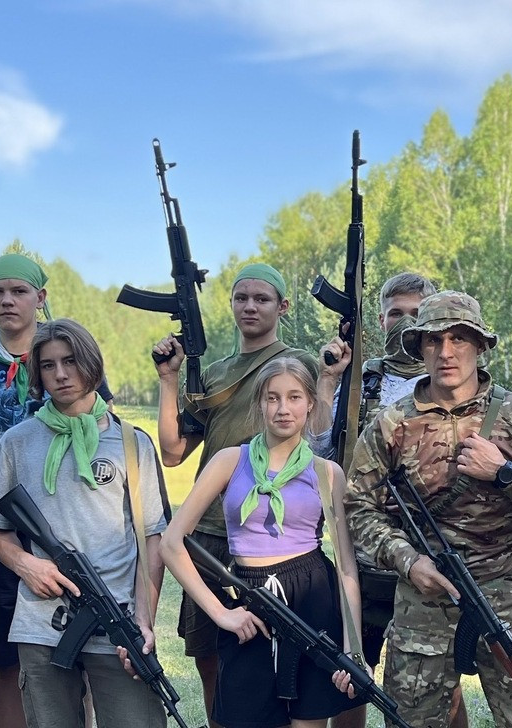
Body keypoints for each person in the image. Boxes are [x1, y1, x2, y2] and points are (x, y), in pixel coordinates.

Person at [344, 290, 512, 727]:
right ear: (420, 348)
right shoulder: (391, 423)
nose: (446, 352)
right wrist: (408, 560)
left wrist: (506, 474)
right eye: (434, 340)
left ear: (479, 345)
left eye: (459, 338)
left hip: (505, 595)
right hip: (424, 599)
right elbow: (359, 508)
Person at [0, 253, 112, 728]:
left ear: (40, 297)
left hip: (63, 518)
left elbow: (101, 421)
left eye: (19, 291)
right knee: (9, 657)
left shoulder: (66, 352)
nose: (8, 300)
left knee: (77, 648)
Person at [154, 262, 321, 725]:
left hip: (271, 537)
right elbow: (173, 451)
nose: (250, 306)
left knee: (280, 654)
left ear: (283, 306)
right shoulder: (216, 373)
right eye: (241, 298)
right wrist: (168, 380)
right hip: (209, 531)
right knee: (209, 653)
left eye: (262, 298)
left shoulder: (297, 363)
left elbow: (321, 433)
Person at [158, 356, 365, 728]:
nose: (283, 408)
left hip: (312, 598)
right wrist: (221, 613)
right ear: (259, 404)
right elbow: (171, 543)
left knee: (307, 721)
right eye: (272, 398)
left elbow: (347, 567)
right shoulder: (229, 461)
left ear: (311, 403)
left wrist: (353, 648)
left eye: (294, 397)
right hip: (248, 601)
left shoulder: (326, 473)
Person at [0, 319, 169, 728]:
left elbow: (152, 540)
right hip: (40, 622)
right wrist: (26, 565)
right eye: (48, 365)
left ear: (92, 364)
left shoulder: (131, 442)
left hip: (117, 618)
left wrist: (144, 620)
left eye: (70, 361)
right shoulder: (17, 442)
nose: (61, 374)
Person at [315, 272, 470, 728]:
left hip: (429, 551)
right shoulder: (361, 379)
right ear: (380, 320)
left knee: (441, 683)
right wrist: (328, 380)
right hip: (362, 553)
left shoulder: (449, 382)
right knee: (351, 677)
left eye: (416, 313)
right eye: (395, 313)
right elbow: (318, 449)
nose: (405, 322)